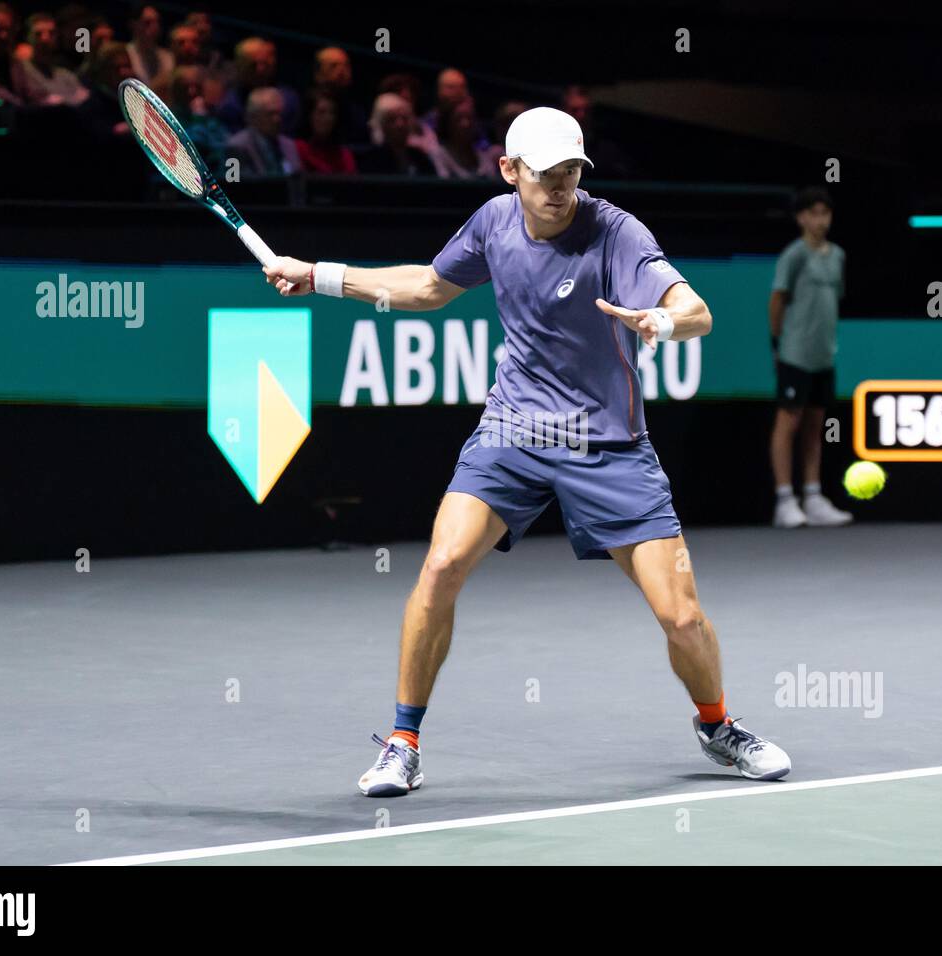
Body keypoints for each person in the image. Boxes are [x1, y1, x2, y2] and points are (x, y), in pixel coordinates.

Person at [262, 106, 791, 795]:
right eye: (545, 173)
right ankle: (403, 742)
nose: (561, 185)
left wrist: (658, 318)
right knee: (443, 564)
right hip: (514, 432)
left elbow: (699, 312)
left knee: (681, 614)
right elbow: (427, 288)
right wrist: (321, 276)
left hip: (608, 445)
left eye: (572, 170)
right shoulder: (492, 222)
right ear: (510, 171)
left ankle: (718, 727)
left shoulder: (616, 231)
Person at [767, 187, 853, 529]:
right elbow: (777, 302)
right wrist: (777, 345)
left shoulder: (838, 256)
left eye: (825, 213)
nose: (820, 220)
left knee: (815, 426)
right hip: (794, 354)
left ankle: (813, 496)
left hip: (824, 357)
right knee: (788, 423)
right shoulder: (794, 255)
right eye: (813, 213)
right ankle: (785, 499)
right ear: (801, 218)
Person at [225, 86, 300, 177]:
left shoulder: (289, 145)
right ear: (254, 116)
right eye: (270, 114)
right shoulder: (236, 146)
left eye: (279, 113)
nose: (277, 119)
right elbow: (233, 182)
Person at [20, 11, 89, 106]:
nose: (45, 38)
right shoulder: (21, 71)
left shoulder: (66, 74)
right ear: (27, 37)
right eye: (38, 34)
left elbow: (85, 99)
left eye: (51, 33)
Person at [358, 91, 435, 176]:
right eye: (392, 119)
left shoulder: (419, 157)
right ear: (383, 125)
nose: (400, 125)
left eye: (404, 119)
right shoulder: (372, 159)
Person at [297, 88, 355, 175]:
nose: (328, 118)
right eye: (321, 112)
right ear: (310, 115)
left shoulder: (344, 155)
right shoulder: (297, 149)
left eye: (332, 113)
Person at [428, 94, 485, 178]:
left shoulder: (483, 156)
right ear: (447, 123)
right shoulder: (437, 155)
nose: (466, 124)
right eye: (459, 118)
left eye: (470, 118)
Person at [124, 4, 171, 86]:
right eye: (147, 23)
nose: (155, 27)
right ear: (133, 25)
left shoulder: (168, 57)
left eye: (157, 22)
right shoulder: (125, 54)